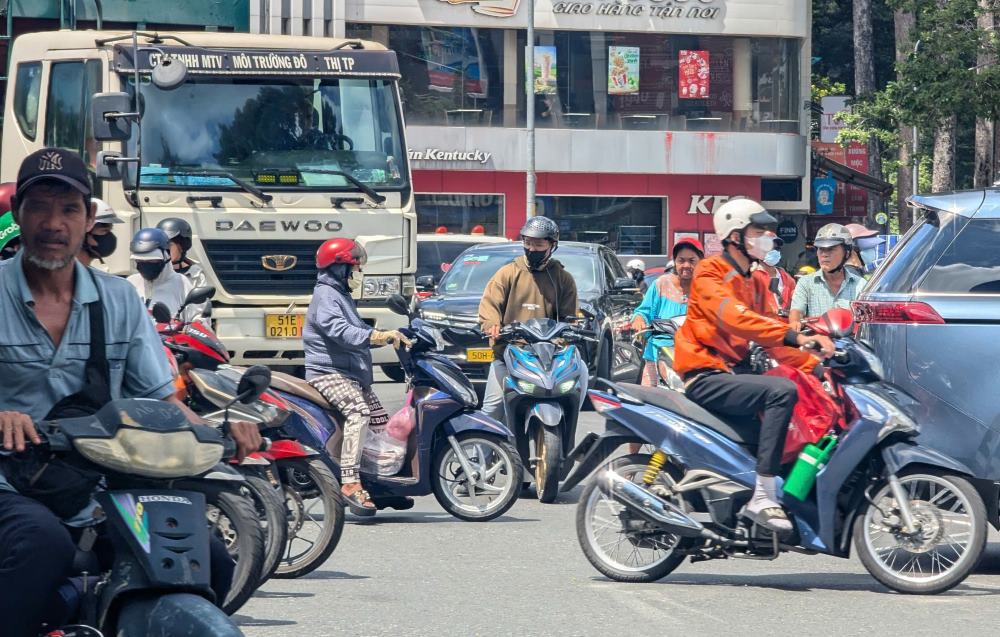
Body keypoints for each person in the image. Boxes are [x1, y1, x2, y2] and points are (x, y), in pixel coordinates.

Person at [0, 147, 261, 636]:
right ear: (18, 215)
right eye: (39, 207)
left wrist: (228, 428)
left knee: (209, 559)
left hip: (99, 485)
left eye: (69, 209)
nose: (53, 223)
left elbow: (165, 401)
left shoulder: (119, 299)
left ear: (88, 218)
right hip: (8, 484)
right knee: (41, 546)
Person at [673, 198, 834, 533]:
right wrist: (796, 337)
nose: (767, 237)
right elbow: (736, 318)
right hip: (706, 374)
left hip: (738, 375)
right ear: (735, 236)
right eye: (758, 231)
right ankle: (763, 497)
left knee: (805, 402)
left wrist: (817, 367)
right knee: (781, 391)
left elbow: (772, 338)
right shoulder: (710, 272)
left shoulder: (758, 282)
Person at [304, 238, 412, 515]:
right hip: (328, 373)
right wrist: (376, 335)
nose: (358, 275)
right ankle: (350, 482)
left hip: (350, 376)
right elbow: (340, 331)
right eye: (355, 269)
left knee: (380, 424)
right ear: (340, 269)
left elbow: (356, 330)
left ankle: (377, 484)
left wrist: (389, 335)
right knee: (359, 414)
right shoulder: (326, 296)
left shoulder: (341, 295)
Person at [478, 216, 578, 424]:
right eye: (528, 243)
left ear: (552, 246)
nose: (532, 249)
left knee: (575, 392)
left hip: (549, 359)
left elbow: (570, 317)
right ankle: (481, 456)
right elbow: (490, 304)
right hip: (509, 353)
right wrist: (492, 323)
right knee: (492, 410)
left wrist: (570, 332)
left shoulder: (562, 278)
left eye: (539, 244)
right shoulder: (507, 273)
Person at [631, 238, 703, 387]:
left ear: (701, 262)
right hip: (657, 355)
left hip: (693, 360)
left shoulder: (706, 289)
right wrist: (639, 319)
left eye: (692, 261)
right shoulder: (661, 284)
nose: (686, 265)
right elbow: (643, 311)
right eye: (681, 260)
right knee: (652, 405)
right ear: (675, 262)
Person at [788, 223, 865, 331]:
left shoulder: (861, 285)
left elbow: (865, 320)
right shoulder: (805, 283)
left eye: (831, 249)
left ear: (847, 253)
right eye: (821, 249)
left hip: (850, 344)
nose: (824, 254)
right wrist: (795, 322)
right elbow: (797, 311)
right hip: (816, 343)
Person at [125, 228, 198, 322]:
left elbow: (198, 320)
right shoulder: (131, 283)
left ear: (166, 256)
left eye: (151, 260)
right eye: (140, 261)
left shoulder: (181, 283)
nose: (145, 265)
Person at [752, 235, 796, 321]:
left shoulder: (786, 277)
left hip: (786, 328)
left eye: (777, 249)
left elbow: (797, 303)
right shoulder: (752, 277)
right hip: (764, 328)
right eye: (769, 248)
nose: (774, 251)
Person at [78, 197, 124, 268]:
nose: (110, 236)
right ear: (84, 234)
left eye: (110, 230)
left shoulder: (94, 277)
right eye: (104, 230)